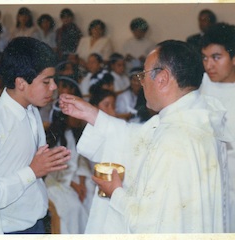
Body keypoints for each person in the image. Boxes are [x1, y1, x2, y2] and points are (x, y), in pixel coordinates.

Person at [59, 40, 230, 233]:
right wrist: (92, 115)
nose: (141, 83)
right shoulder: (197, 117)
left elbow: (151, 224)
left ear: (162, 78)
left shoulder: (174, 139)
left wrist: (115, 193)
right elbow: (137, 137)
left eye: (143, 75)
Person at [0, 37, 71, 234]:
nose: (54, 87)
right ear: (21, 83)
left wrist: (45, 163)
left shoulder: (32, 111)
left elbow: (28, 167)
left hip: (34, 221)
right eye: (46, 81)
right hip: (3, 229)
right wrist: (32, 171)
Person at [45, 76, 94, 234]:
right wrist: (74, 185)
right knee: (72, 208)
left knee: (92, 195)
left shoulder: (73, 134)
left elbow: (80, 162)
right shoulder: (53, 139)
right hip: (57, 181)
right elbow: (53, 171)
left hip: (74, 176)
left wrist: (81, 182)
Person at [200, 22, 235, 233]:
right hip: (208, 182)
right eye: (204, 58)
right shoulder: (203, 83)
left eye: (216, 57)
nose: (208, 65)